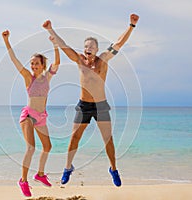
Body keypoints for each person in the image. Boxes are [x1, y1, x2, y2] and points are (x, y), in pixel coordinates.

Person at [43, 14, 139, 187]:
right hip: (83, 105)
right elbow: (64, 46)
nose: (88, 48)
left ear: (96, 49)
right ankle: (67, 167)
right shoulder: (79, 60)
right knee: (74, 139)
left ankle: (113, 169)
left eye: (92, 46)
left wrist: (131, 25)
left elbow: (118, 43)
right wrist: (50, 29)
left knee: (108, 139)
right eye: (86, 46)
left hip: (101, 106)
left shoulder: (103, 60)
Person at [2, 30, 60, 197]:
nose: (33, 66)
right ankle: (23, 181)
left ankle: (40, 175)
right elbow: (14, 59)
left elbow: (57, 62)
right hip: (28, 116)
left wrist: (55, 44)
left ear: (42, 65)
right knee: (31, 148)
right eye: (32, 63)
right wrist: (7, 41)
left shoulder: (48, 77)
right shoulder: (28, 77)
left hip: (41, 117)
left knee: (48, 147)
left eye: (37, 64)